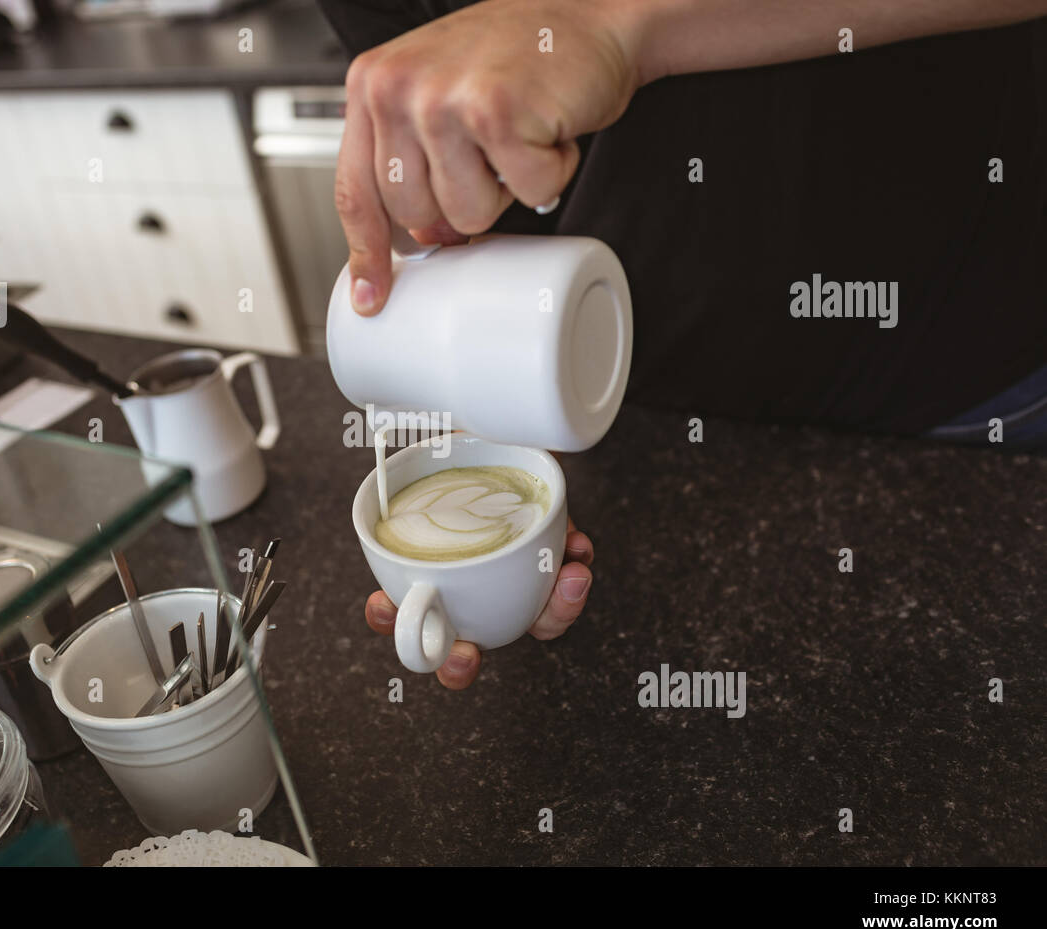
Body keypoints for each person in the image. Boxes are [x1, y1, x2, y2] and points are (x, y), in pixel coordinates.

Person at [321, 0, 1047, 688]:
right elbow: (474, 187)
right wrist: (485, 417)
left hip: (949, 382)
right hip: (618, 397)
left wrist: (614, 24)